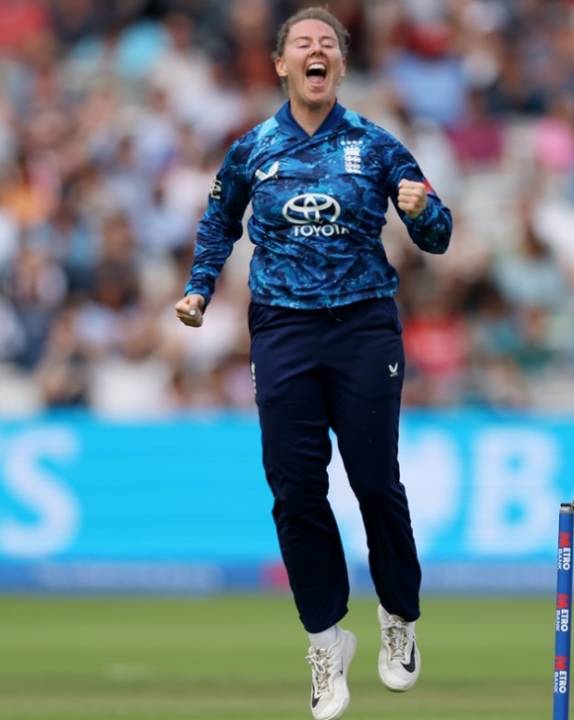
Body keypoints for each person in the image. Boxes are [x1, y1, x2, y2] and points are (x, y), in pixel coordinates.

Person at [174, 8, 452, 720]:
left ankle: (399, 616)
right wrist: (199, 288)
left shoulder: (377, 144)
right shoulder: (253, 148)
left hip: (363, 325)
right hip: (283, 329)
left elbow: (439, 235)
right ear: (281, 65)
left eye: (327, 43)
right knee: (295, 490)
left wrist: (422, 210)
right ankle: (326, 642)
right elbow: (218, 221)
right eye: (303, 43)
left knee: (375, 482)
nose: (316, 50)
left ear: (341, 66)